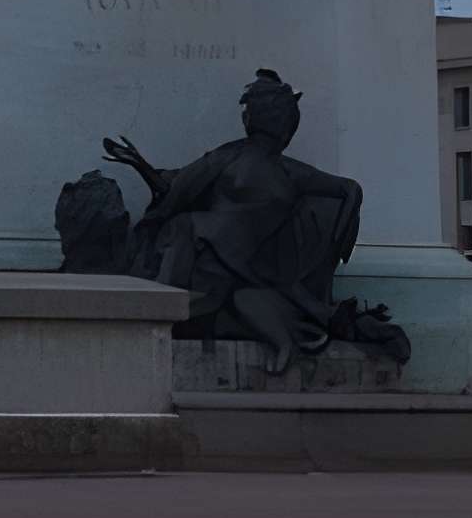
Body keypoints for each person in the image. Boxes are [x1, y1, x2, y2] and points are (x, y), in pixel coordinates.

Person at [100, 68, 363, 374]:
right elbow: (350, 191)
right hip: (223, 261)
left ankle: (152, 317)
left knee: (191, 265)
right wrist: (335, 244)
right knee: (204, 269)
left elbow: (174, 186)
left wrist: (335, 245)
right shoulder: (276, 168)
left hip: (223, 260)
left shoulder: (254, 162)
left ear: (251, 118)